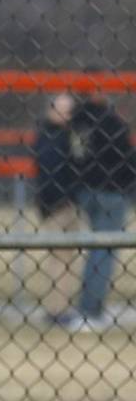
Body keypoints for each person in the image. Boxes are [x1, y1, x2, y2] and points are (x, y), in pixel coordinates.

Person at [68, 82, 136, 328]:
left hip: (86, 190)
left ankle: (89, 307)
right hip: (110, 191)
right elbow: (126, 156)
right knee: (104, 251)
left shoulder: (77, 121)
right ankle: (91, 310)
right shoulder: (108, 121)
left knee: (97, 248)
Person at [33, 92, 82, 327]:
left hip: (64, 203)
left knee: (65, 259)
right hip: (57, 205)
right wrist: (60, 200)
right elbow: (50, 173)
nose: (67, 114)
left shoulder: (63, 135)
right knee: (60, 259)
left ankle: (59, 307)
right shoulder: (50, 136)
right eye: (63, 109)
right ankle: (57, 310)